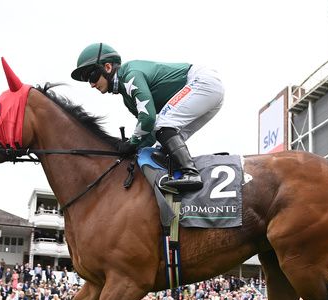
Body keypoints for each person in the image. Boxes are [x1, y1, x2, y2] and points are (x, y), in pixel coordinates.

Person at [71, 42, 224, 192]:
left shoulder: (130, 75)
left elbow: (149, 119)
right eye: (87, 81)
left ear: (108, 67)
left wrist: (132, 142)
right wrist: (133, 150)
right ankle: (184, 180)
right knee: (164, 144)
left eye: (92, 76)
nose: (91, 84)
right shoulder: (127, 98)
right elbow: (149, 132)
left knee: (163, 125)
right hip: (208, 90)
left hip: (202, 82)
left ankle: (191, 174)